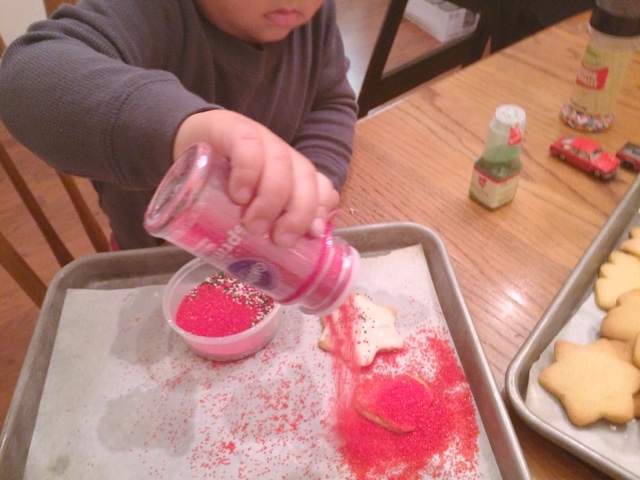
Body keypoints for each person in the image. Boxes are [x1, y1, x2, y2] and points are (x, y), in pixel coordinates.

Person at [0, 0, 358, 250]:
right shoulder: (148, 10)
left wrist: (316, 177)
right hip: (159, 258)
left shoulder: (312, 18)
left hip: (269, 249)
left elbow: (330, 101)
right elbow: (27, 75)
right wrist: (181, 129)